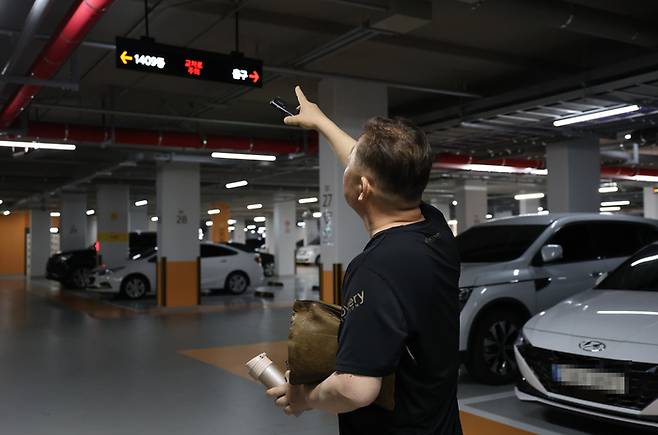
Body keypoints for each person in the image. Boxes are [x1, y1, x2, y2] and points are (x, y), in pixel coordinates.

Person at [266, 86, 462, 435]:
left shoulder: (375, 268)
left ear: (362, 189)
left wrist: (303, 397)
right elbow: (368, 165)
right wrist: (321, 122)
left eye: (352, 166)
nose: (348, 163)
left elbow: (355, 388)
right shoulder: (435, 229)